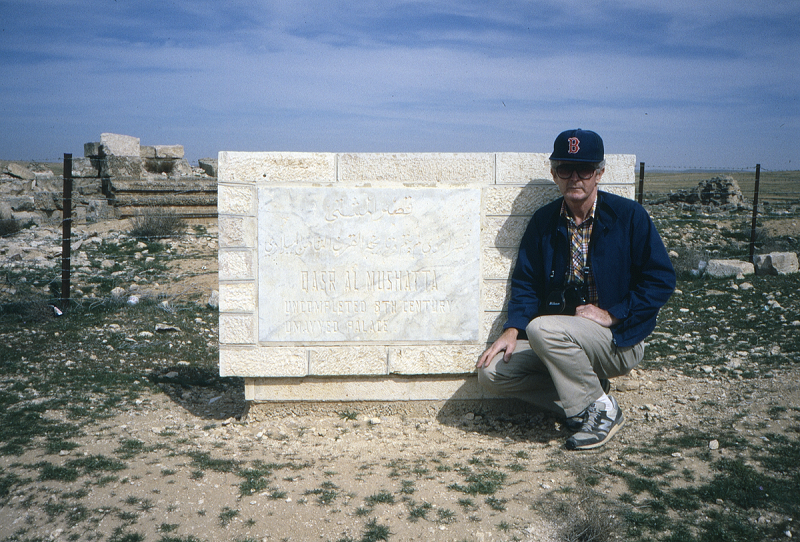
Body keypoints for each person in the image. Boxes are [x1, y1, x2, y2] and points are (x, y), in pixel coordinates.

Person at [476, 129, 675, 450]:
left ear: (599, 173)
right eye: (565, 169)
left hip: (617, 340)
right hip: (558, 342)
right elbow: (526, 282)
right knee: (493, 372)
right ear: (553, 173)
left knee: (541, 328)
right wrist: (512, 329)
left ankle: (599, 410)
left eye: (584, 169)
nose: (575, 178)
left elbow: (661, 280)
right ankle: (593, 402)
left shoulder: (629, 217)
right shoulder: (544, 222)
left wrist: (613, 314)